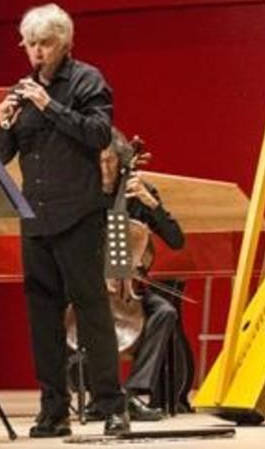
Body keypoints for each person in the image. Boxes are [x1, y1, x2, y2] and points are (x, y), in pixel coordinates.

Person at [0, 3, 127, 437]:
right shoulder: (22, 90)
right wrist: (2, 125)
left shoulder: (88, 80)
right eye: (30, 44)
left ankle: (111, 406)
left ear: (64, 43)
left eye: (44, 44)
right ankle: (53, 409)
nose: (36, 53)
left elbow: (99, 134)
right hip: (36, 217)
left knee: (91, 311)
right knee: (42, 316)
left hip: (79, 214)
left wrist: (49, 106)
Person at [84, 129, 185, 421]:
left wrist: (153, 205)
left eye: (111, 162)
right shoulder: (84, 192)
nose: (104, 169)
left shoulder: (140, 192)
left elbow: (176, 241)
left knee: (165, 312)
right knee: (77, 312)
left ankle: (135, 393)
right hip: (91, 282)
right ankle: (97, 397)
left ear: (123, 161)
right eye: (100, 162)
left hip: (129, 289)